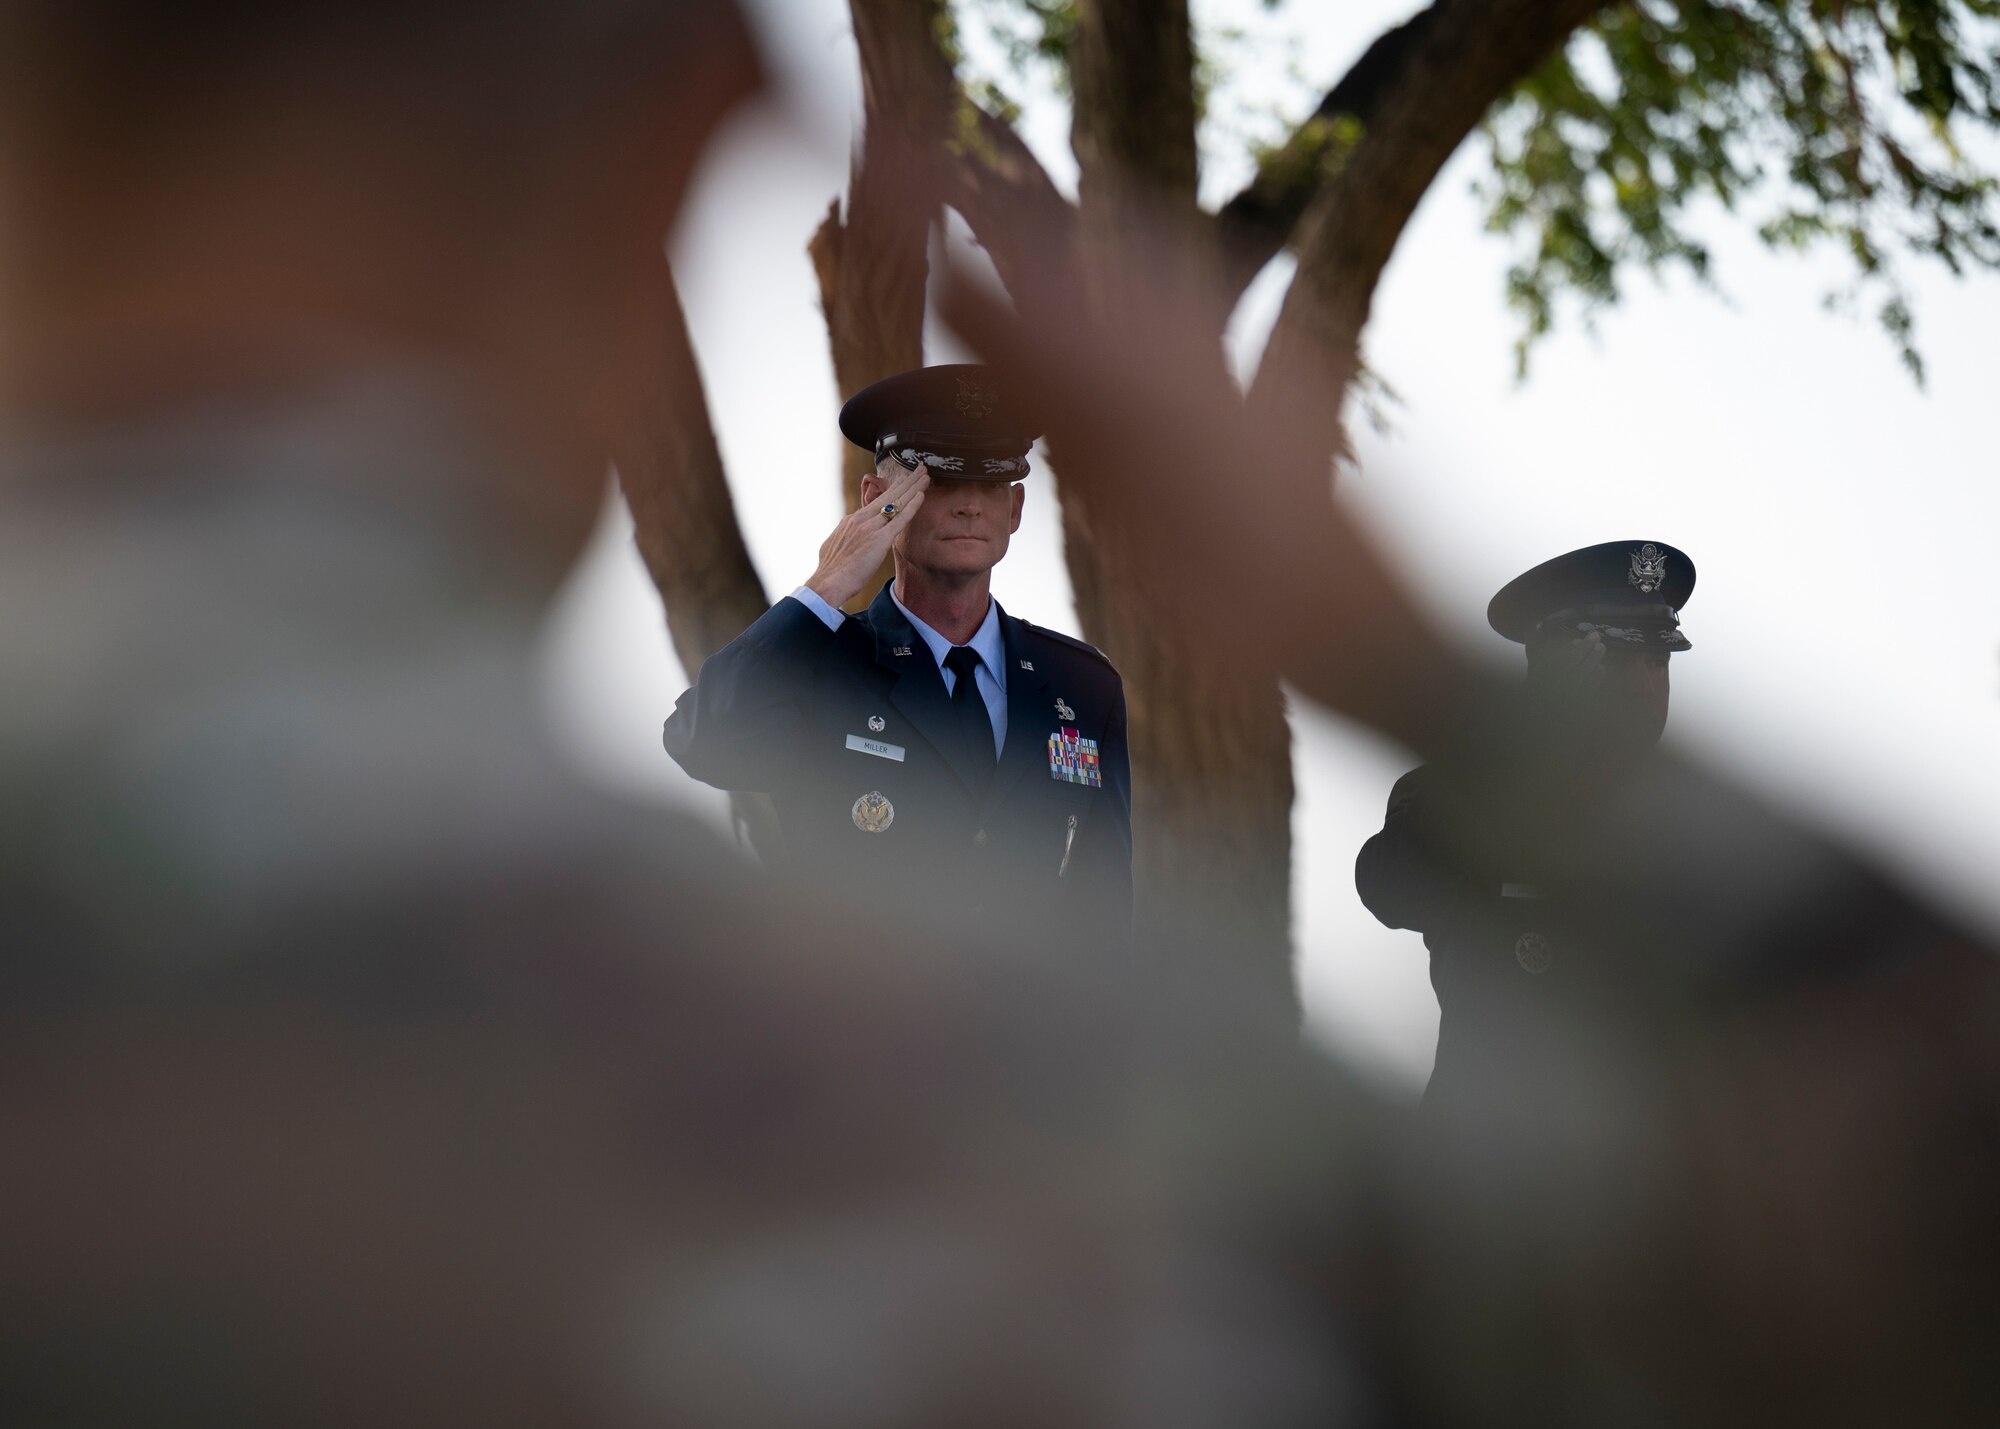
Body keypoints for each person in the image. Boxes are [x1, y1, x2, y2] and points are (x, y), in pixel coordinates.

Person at [664, 364, 1133, 955]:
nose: (968, 507)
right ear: (876, 500)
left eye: (989, 484)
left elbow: (1106, 916)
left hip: (1026, 1041)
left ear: (1014, 508)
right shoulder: (818, 664)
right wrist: (828, 583)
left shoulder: (1082, 688)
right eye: (938, 481)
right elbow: (702, 740)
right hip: (864, 1036)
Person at [1354, 540, 1695, 1108]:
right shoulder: (1471, 787)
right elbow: (1390, 888)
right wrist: (1516, 742)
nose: (1644, 684)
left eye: (1657, 661)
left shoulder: (1697, 828)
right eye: (1618, 658)